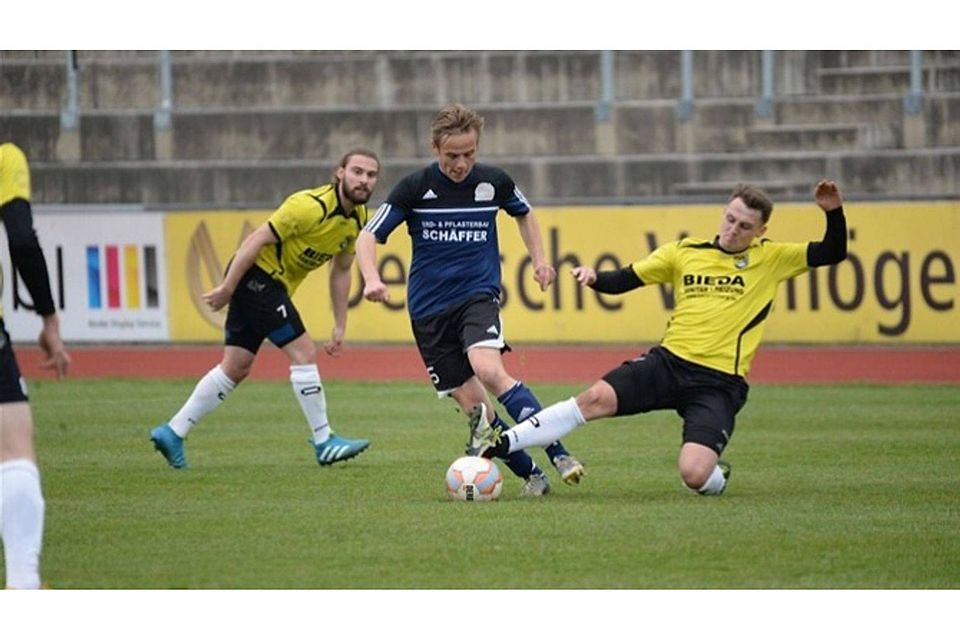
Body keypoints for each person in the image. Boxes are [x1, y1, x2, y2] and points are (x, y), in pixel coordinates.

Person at [468, 180, 848, 496]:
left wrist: (833, 211)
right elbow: (628, 278)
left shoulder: (773, 258)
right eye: (730, 219)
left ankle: (717, 477)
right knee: (593, 398)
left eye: (744, 226)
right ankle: (501, 444)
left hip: (718, 384)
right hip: (668, 364)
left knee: (694, 475)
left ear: (761, 232)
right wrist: (596, 278)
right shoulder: (685, 252)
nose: (733, 229)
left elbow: (833, 251)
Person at [356, 103, 584, 497]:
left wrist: (540, 261)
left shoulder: (494, 182)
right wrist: (371, 278)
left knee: (489, 369)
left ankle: (559, 452)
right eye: (452, 156)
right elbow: (367, 236)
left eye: (469, 154)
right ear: (435, 148)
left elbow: (524, 214)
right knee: (480, 412)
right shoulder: (414, 187)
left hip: (477, 296)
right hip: (428, 313)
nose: (462, 164)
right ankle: (532, 476)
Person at [150, 149, 381, 469]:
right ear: (340, 172)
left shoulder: (358, 220)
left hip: (268, 286)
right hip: (256, 277)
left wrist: (340, 324)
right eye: (357, 171)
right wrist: (228, 288)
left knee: (235, 367)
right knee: (303, 352)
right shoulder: (307, 206)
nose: (364, 180)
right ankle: (324, 440)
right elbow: (255, 241)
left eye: (371, 175)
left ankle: (173, 432)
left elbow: (341, 271)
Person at [0, 142, 71, 589]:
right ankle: (24, 586)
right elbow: (22, 240)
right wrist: (49, 319)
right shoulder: (5, 157)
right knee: (14, 452)